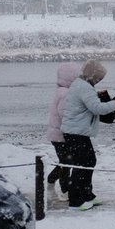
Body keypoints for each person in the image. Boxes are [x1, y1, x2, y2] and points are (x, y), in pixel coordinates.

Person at [60, 59, 115, 211]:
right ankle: (75, 201)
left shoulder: (80, 84)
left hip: (75, 131)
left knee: (88, 162)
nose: (98, 80)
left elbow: (88, 102)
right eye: (98, 77)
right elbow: (97, 108)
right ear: (92, 75)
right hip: (76, 132)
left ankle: (87, 194)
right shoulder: (84, 87)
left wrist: (96, 94)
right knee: (82, 164)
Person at [45, 62, 81, 198]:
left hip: (57, 134)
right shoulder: (66, 94)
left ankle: (53, 182)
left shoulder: (61, 91)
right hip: (61, 135)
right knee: (67, 162)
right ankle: (64, 190)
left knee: (66, 161)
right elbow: (65, 114)